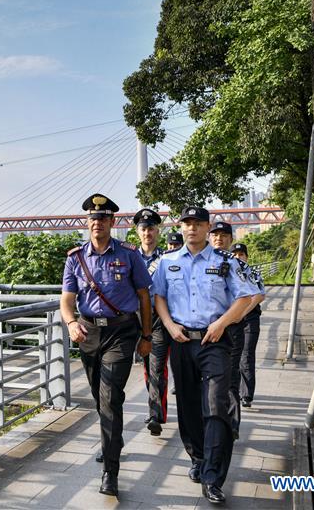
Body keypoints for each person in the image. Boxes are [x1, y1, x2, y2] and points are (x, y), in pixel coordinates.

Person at [151, 207, 257, 504]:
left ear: (207, 228)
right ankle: (197, 457)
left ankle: (213, 476)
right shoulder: (167, 262)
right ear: (181, 227)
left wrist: (221, 323)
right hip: (181, 341)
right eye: (187, 224)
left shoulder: (226, 262)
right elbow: (158, 296)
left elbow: (245, 298)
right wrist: (169, 325)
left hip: (215, 342)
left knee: (215, 406)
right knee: (186, 405)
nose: (192, 228)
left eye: (198, 224)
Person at [61, 193, 153, 498]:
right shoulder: (75, 257)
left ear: (112, 222)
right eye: (92, 219)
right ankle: (113, 440)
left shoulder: (128, 254)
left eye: (102, 218)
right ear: (87, 223)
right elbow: (66, 300)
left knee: (110, 397)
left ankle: (110, 471)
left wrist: (147, 336)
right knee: (101, 400)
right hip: (88, 334)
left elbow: (143, 297)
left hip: (121, 333)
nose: (97, 223)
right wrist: (71, 322)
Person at [208, 221, 265, 439]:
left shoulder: (239, 265)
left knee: (232, 376)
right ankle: (211, 422)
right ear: (209, 237)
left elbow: (255, 293)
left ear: (230, 239)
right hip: (208, 329)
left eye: (224, 235)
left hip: (232, 328)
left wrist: (238, 315)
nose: (219, 239)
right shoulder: (198, 262)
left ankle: (232, 424)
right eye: (215, 235)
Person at [133, 208, 169, 437]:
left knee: (156, 366)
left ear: (158, 231)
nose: (148, 233)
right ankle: (157, 408)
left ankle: (155, 414)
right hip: (133, 318)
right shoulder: (129, 257)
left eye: (152, 229)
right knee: (146, 367)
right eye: (144, 229)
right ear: (137, 232)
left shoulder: (168, 258)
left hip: (158, 318)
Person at [230, 242, 266, 407]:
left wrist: (243, 312)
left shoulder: (254, 273)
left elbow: (258, 296)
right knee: (232, 356)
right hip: (231, 320)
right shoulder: (228, 273)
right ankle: (233, 390)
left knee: (246, 356)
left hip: (249, 319)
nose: (238, 257)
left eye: (241, 254)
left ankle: (247, 395)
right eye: (235, 254)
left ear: (246, 256)